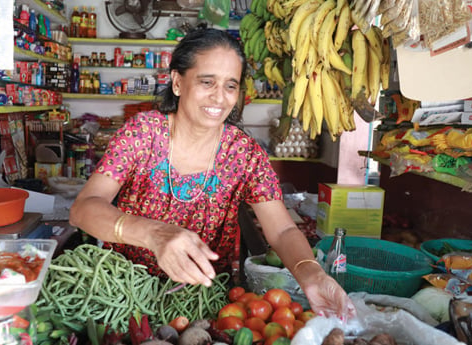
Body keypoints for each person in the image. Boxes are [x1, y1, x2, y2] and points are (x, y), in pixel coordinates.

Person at [69, 28, 355, 319]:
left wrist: (311, 273)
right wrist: (154, 234)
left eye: (231, 86)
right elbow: (83, 209)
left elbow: (282, 230)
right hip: (122, 295)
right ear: (178, 82)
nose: (220, 97)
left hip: (202, 304)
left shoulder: (244, 153)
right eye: (207, 82)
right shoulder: (143, 133)